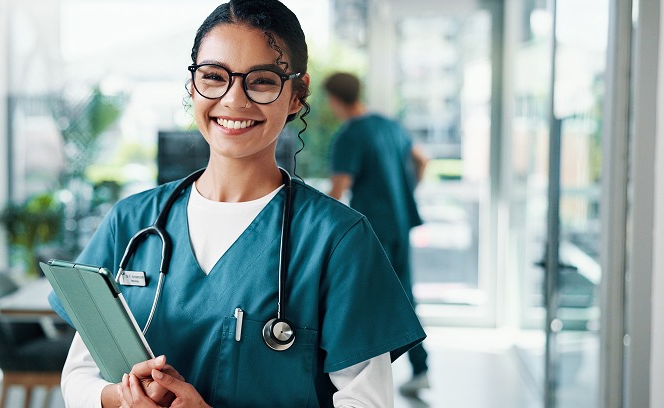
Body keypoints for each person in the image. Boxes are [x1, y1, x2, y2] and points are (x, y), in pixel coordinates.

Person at [48, 2, 425, 406]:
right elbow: (79, 375)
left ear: (297, 95)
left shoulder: (338, 240)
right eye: (213, 76)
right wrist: (123, 399)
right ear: (192, 85)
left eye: (261, 81)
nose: (233, 100)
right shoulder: (131, 221)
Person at [323, 72, 431, 397]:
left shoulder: (349, 136)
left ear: (333, 99)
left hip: (372, 231)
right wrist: (405, 191)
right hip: (398, 222)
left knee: (362, 302)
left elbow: (338, 189)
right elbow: (422, 161)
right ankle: (421, 367)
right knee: (404, 296)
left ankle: (362, 384)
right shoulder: (389, 125)